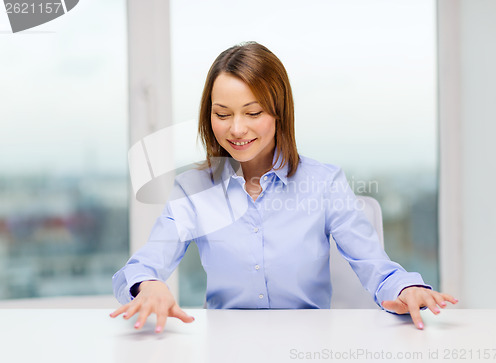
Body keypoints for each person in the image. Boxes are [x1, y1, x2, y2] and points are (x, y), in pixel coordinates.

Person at [110, 41, 458, 333]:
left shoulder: (324, 182)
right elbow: (142, 267)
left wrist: (407, 287)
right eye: (222, 114)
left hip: (310, 346)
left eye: (253, 111)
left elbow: (376, 268)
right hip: (225, 346)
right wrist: (148, 285)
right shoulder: (193, 189)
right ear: (208, 116)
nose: (237, 129)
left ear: (279, 112)